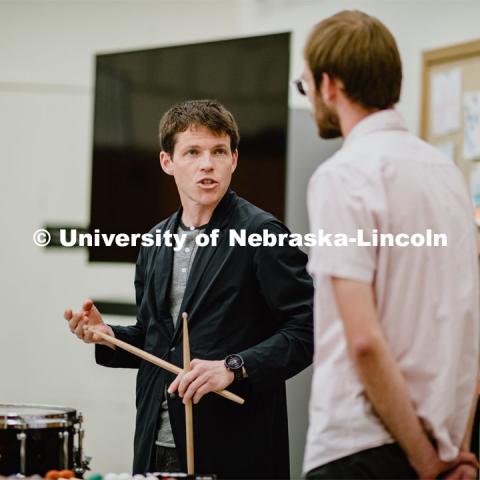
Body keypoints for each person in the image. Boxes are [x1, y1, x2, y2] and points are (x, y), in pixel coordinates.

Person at [64, 99, 314, 479]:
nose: (207, 164)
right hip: (157, 441)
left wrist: (234, 367)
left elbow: (307, 330)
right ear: (168, 162)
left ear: (234, 159)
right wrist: (108, 335)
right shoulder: (154, 241)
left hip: (234, 446)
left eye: (218, 151)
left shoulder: (261, 233)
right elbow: (158, 342)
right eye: (193, 152)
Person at [299, 10, 479, 480]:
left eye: (307, 86)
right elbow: (469, 329)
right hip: (445, 447)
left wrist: (425, 461)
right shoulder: (450, 176)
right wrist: (453, 452)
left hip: (361, 447)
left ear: (330, 85)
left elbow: (362, 339)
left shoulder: (343, 176)